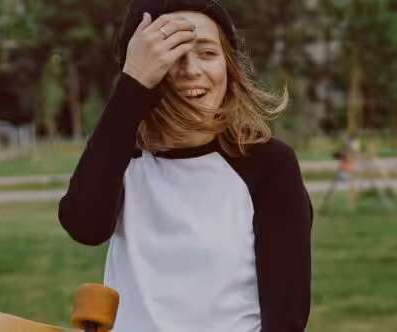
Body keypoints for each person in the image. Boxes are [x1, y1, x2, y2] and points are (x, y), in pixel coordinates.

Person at [57, 0, 313, 331]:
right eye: (172, 54)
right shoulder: (121, 157)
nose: (192, 69)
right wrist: (131, 86)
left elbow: (287, 317)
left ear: (228, 65)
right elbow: (85, 226)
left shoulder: (269, 165)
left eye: (207, 53)